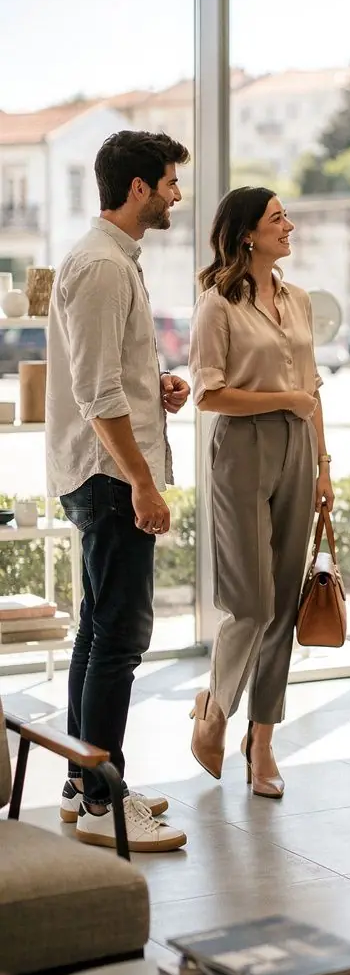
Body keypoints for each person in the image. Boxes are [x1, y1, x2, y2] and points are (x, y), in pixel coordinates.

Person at [46, 130, 192, 853]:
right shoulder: (102, 266)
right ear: (138, 188)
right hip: (110, 480)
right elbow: (96, 389)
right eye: (168, 183)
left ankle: (83, 786)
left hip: (102, 471)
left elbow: (109, 380)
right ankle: (107, 802)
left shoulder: (107, 260)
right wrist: (143, 481)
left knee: (97, 632)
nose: (175, 195)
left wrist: (152, 386)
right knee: (121, 639)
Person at [188, 187, 333, 797]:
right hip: (242, 449)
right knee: (252, 602)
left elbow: (313, 389)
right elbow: (207, 393)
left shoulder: (297, 300)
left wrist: (324, 466)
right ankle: (216, 711)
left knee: (283, 602)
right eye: (278, 219)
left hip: (299, 448)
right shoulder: (217, 305)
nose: (289, 225)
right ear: (248, 232)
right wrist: (283, 399)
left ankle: (263, 743)